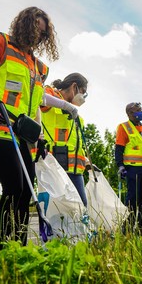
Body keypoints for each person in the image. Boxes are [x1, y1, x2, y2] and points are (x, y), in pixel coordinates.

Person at [0, 7, 79, 248]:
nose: (37, 37)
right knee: (13, 187)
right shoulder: (3, 44)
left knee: (25, 193)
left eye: (42, 33)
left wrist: (45, 128)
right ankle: (5, 249)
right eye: (35, 30)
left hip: (25, 135)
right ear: (24, 25)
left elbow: (39, 102)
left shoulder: (39, 67)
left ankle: (19, 247)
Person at [40, 73, 90, 207]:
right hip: (53, 167)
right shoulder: (50, 93)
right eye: (83, 92)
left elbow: (74, 144)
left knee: (80, 206)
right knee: (54, 207)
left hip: (75, 171)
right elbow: (40, 98)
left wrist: (86, 161)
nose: (83, 98)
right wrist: (65, 105)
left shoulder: (77, 117)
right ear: (74, 86)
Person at [115, 102, 142, 233]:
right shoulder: (124, 127)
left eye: (140, 110)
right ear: (129, 114)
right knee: (133, 199)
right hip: (133, 169)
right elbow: (119, 149)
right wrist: (120, 166)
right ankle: (127, 228)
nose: (140, 112)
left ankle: (141, 228)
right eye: (136, 110)